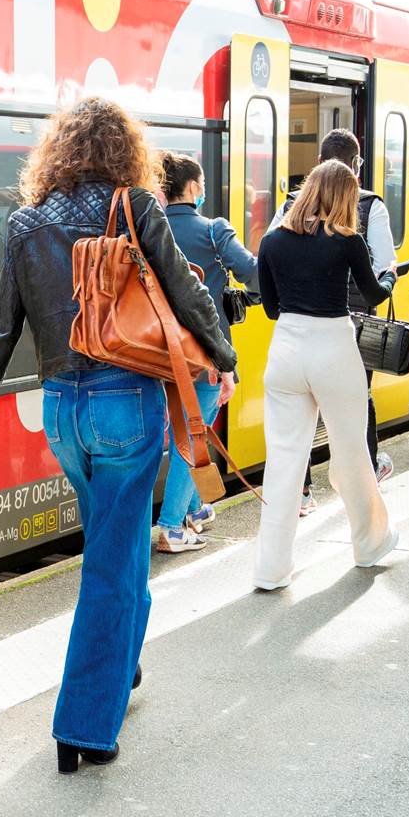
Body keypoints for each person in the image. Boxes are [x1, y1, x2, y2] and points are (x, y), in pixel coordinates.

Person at [0, 98, 236, 774]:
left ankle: (121, 665)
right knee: (111, 563)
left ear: (57, 153)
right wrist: (222, 360)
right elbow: (187, 295)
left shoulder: (25, 223)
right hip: (125, 406)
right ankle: (83, 725)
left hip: (61, 412)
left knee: (115, 545)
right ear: (124, 153)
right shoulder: (136, 208)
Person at [253, 160, 399, 591]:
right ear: (344, 197)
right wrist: (390, 279)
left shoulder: (272, 240)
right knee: (351, 452)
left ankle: (271, 570)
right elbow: (373, 293)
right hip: (333, 348)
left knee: (283, 461)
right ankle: (370, 544)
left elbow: (272, 307)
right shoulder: (347, 240)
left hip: (286, 351)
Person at [269, 129, 396, 509]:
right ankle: (366, 481)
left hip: (292, 332)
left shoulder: (288, 207)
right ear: (355, 165)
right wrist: (389, 277)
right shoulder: (371, 206)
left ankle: (302, 493)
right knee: (359, 408)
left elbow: (273, 259)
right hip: (350, 325)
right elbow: (380, 269)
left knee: (296, 421)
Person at [157, 153, 258, 553]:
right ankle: (171, 526)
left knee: (181, 427)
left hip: (156, 350)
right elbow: (253, 271)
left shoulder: (151, 228)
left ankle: (196, 510)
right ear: (195, 188)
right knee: (193, 434)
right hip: (204, 353)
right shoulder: (214, 231)